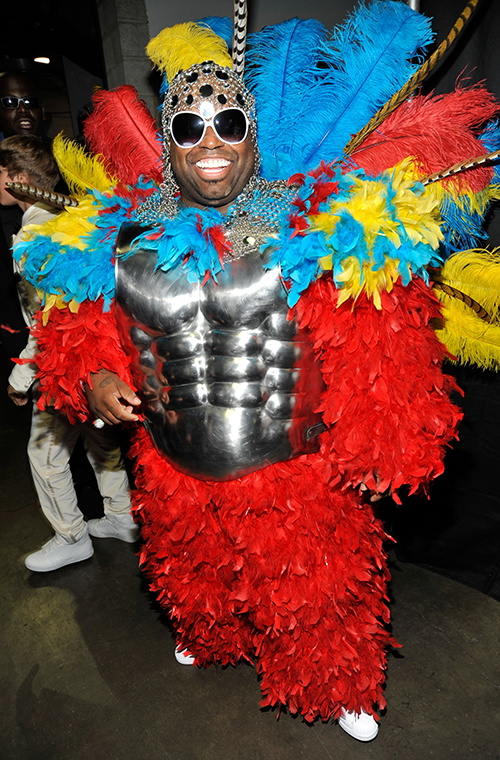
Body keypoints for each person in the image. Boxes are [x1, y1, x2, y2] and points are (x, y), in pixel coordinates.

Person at [15, 3, 500, 741]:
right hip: (173, 464)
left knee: (316, 595)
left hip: (292, 468)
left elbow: (380, 332)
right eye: (188, 127)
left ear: (253, 137)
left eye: (228, 125)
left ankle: (339, 683)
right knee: (194, 578)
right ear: (170, 142)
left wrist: (384, 438)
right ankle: (211, 638)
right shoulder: (121, 231)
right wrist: (91, 376)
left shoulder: (320, 221)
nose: (209, 142)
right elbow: (78, 322)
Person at [0, 135, 138, 572]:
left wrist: (21, 378)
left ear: (19, 178)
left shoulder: (35, 234)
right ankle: (121, 517)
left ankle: (71, 537)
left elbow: (48, 318)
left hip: (62, 362)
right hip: (93, 357)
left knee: (45, 455)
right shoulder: (64, 219)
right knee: (99, 437)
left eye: (0, 173)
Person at [0, 73, 45, 357]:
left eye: (30, 102)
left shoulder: (68, 160)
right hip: (13, 328)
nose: (23, 109)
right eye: (10, 102)